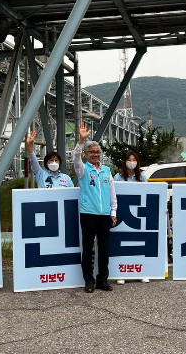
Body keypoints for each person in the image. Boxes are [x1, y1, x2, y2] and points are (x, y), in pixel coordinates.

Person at [73, 122, 117, 293]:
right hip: (88, 214)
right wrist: (80, 141)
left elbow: (112, 193)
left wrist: (113, 211)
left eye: (97, 152)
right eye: (91, 152)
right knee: (88, 248)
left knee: (104, 249)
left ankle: (103, 279)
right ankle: (89, 281)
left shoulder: (106, 171)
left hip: (105, 215)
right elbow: (75, 158)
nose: (95, 155)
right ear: (86, 154)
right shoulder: (83, 170)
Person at [114, 151, 149, 285]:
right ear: (124, 161)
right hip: (122, 214)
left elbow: (150, 194)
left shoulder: (143, 177)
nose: (132, 162)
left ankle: (141, 272)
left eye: (134, 159)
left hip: (139, 214)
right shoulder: (118, 177)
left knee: (138, 243)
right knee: (123, 243)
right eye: (129, 159)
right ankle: (122, 272)